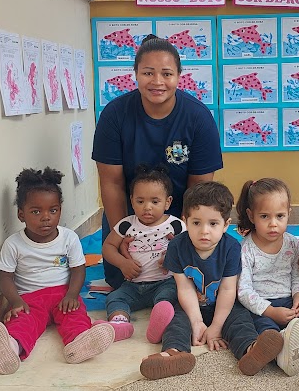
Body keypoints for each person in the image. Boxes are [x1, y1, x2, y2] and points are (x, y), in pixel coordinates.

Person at [92, 34, 223, 290]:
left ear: (179, 76)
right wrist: (123, 235)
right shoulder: (114, 115)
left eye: (166, 74)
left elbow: (199, 189)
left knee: (190, 283)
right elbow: (111, 183)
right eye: (148, 73)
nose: (157, 82)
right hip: (131, 212)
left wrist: (183, 237)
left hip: (180, 213)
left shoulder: (198, 117)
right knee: (123, 282)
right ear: (136, 74)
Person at [139, 182, 284, 380]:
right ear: (185, 221)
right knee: (176, 321)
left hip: (224, 305)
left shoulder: (231, 248)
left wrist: (216, 326)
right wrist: (197, 322)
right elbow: (184, 288)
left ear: (226, 225)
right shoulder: (177, 246)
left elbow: (227, 290)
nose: (204, 231)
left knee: (241, 321)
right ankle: (173, 353)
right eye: (196, 223)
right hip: (189, 304)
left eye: (213, 224)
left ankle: (251, 351)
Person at [0, 167, 114, 375]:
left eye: (53, 210)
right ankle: (10, 348)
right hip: (30, 299)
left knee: (75, 315)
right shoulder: (13, 244)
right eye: (36, 211)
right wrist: (16, 301)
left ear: (60, 210)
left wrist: (72, 295)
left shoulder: (68, 238)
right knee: (23, 322)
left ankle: (79, 342)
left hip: (63, 296)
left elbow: (78, 270)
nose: (46, 217)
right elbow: (5, 277)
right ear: (21, 214)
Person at [235, 178, 299, 376]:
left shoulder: (292, 243)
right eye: (264, 216)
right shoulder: (246, 249)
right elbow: (244, 291)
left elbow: (297, 275)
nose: (273, 224)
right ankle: (281, 354)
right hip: (261, 307)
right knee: (268, 333)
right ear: (251, 216)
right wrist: (270, 311)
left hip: (288, 301)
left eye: (280, 216)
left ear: (289, 213)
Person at [101, 164, 183, 343]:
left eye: (155, 202)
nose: (147, 207)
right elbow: (108, 247)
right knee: (114, 298)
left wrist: (172, 257)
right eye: (140, 201)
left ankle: (160, 322)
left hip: (165, 282)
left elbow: (188, 249)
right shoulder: (126, 224)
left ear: (167, 202)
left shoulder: (175, 225)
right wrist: (122, 263)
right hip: (133, 285)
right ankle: (119, 323)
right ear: (131, 201)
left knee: (172, 296)